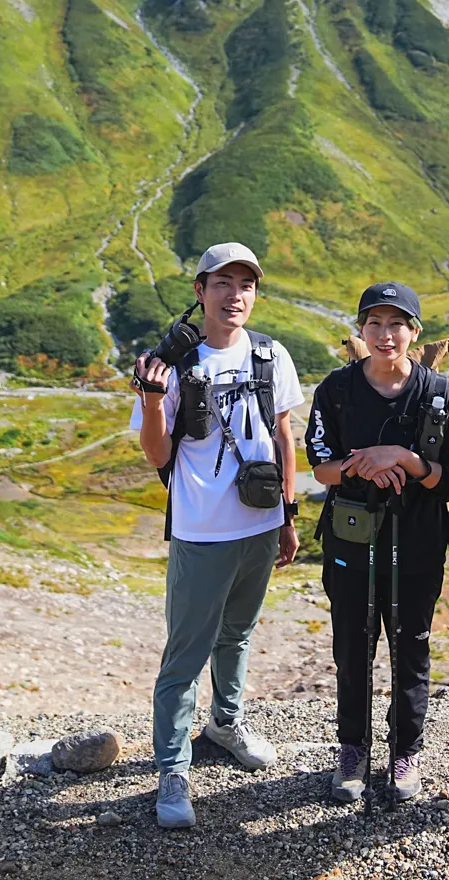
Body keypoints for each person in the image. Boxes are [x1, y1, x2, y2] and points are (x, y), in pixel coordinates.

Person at [130, 242, 303, 830]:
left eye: (246, 285)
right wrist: (154, 401)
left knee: (238, 634)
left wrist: (288, 512)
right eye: (223, 284)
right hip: (201, 531)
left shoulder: (270, 353)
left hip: (260, 523)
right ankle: (173, 769)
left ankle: (225, 724)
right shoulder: (171, 361)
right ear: (200, 291)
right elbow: (157, 452)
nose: (236, 296)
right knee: (184, 656)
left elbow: (284, 434)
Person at [305, 282, 449, 804]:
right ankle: (352, 749)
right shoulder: (334, 390)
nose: (384, 334)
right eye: (373, 323)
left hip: (418, 545)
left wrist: (404, 458)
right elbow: (320, 466)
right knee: (352, 651)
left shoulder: (440, 395)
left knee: (411, 650)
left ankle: (405, 750)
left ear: (414, 333)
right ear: (360, 330)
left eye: (396, 324)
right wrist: (364, 466)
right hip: (350, 544)